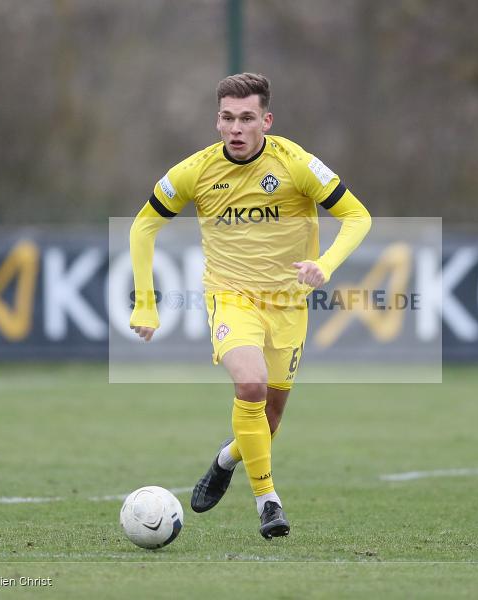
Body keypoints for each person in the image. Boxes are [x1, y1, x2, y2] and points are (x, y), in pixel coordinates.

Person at [129, 73, 370, 539]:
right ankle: (268, 502)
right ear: (216, 122)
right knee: (251, 385)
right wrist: (145, 302)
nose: (235, 128)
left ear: (266, 120)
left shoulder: (295, 163)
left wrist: (326, 264)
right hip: (230, 297)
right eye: (226, 118)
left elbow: (357, 216)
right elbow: (143, 226)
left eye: (246, 118)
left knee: (269, 419)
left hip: (288, 304)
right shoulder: (195, 171)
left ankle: (225, 460)